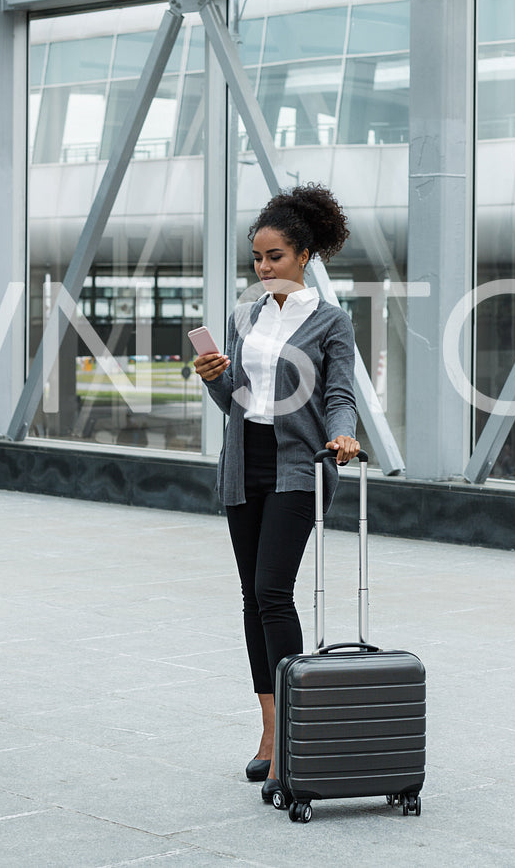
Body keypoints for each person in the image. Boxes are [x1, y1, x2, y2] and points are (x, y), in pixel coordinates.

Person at [192, 183, 362, 805]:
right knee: (251, 597)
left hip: (299, 466)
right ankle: (270, 733)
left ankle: (293, 734)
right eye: (257, 258)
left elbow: (340, 393)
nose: (263, 269)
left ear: (305, 255)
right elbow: (237, 400)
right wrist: (215, 378)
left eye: (275, 257)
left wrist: (342, 434)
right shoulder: (249, 316)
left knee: (272, 591)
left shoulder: (331, 322)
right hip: (244, 464)